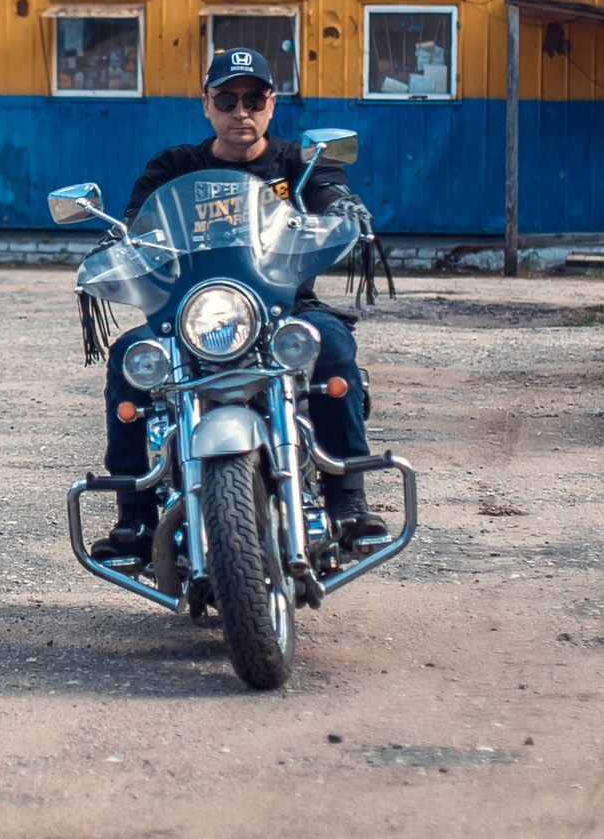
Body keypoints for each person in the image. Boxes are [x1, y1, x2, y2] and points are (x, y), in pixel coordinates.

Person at [93, 47, 387, 559]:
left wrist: (342, 207)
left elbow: (327, 189)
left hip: (283, 310)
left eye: (253, 98)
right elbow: (139, 220)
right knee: (129, 359)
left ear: (272, 103)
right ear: (206, 105)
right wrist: (117, 241)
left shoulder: (299, 161)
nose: (241, 111)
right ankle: (134, 515)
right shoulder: (175, 165)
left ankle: (349, 500)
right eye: (226, 100)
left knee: (333, 344)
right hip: (190, 316)